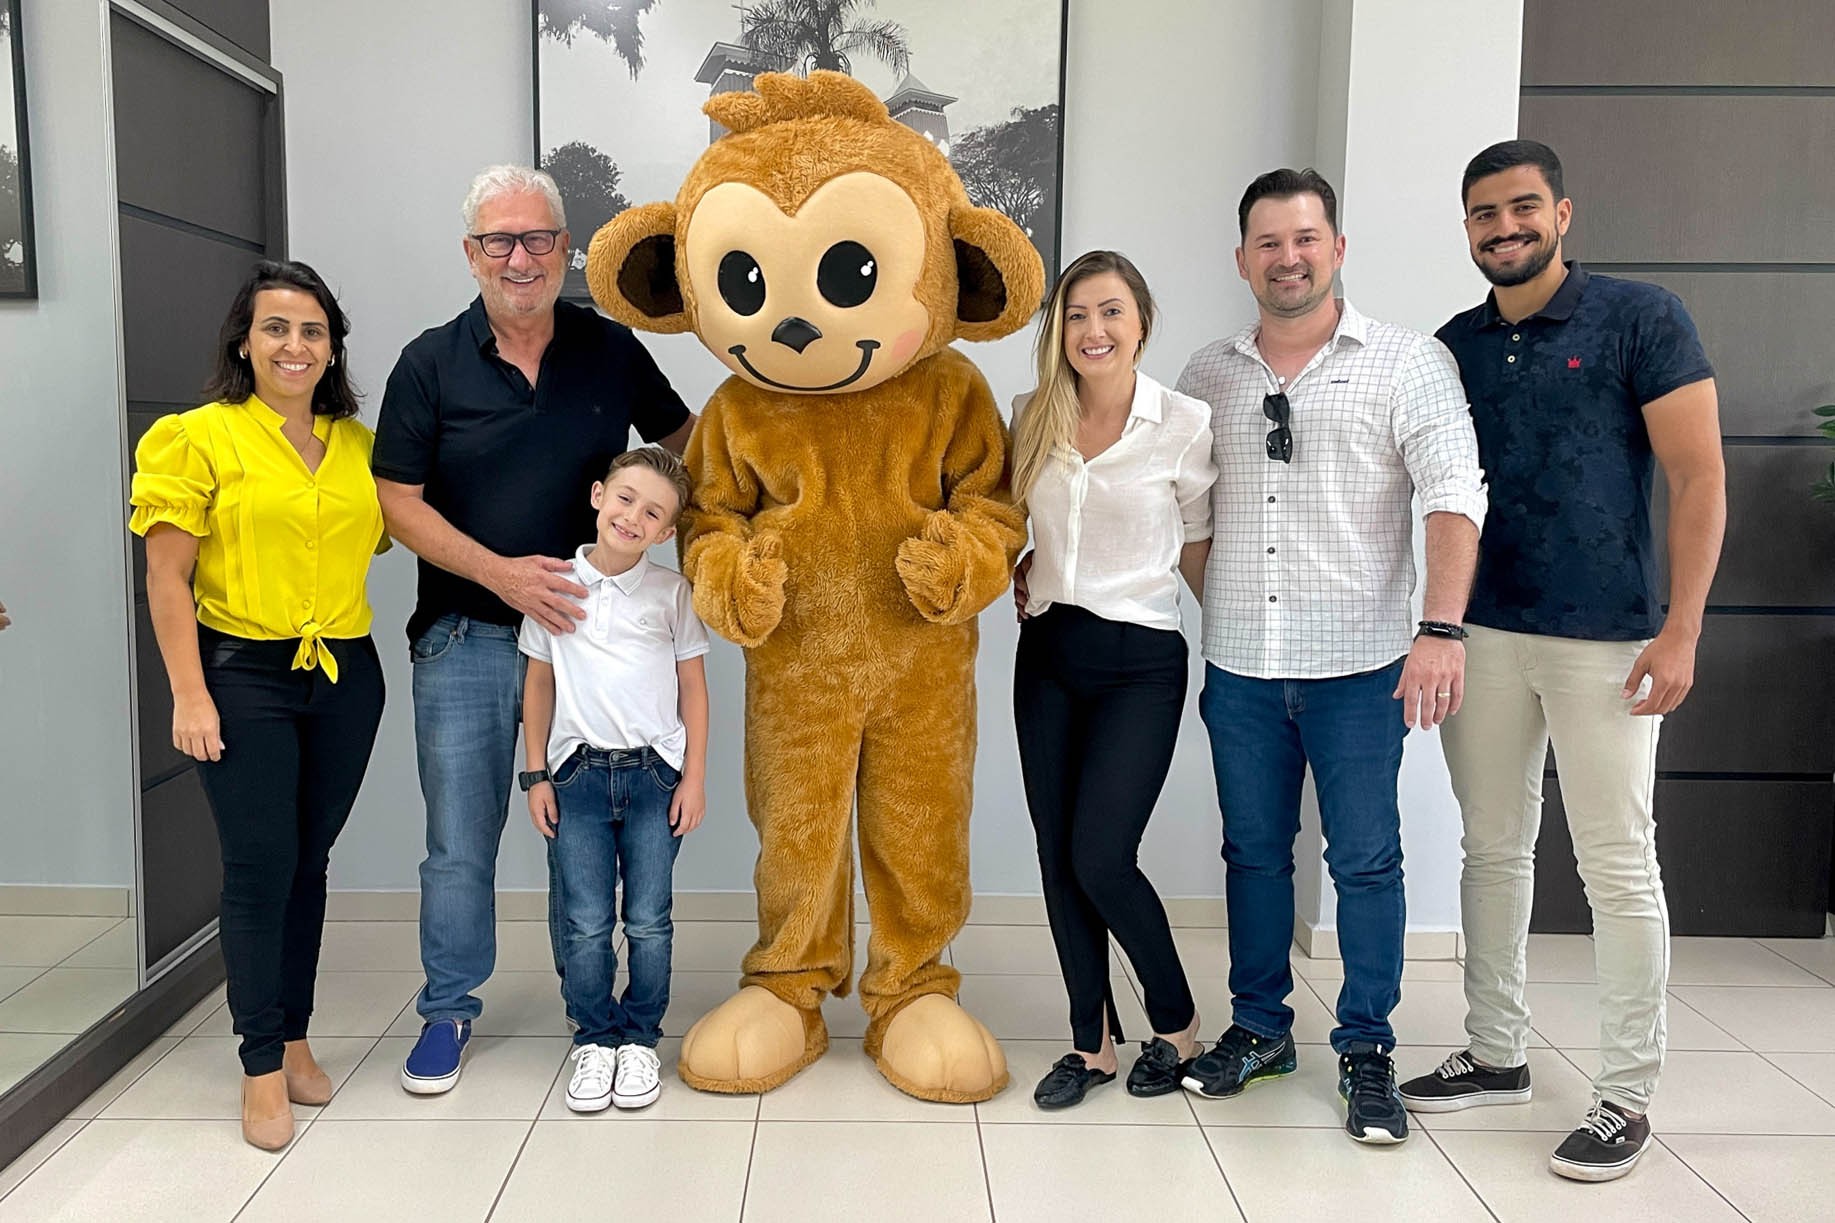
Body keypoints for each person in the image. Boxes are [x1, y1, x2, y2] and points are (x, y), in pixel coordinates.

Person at [1398, 140, 1724, 1183]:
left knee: (1615, 864)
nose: (1504, 227)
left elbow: (1698, 476)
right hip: (1484, 633)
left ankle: (1624, 1092)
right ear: (1465, 228)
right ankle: (1495, 1051)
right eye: (1483, 214)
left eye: (1521, 207)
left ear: (1561, 213)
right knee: (1491, 849)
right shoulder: (1451, 347)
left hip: (1608, 640)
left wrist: (1681, 628)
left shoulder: (1640, 318)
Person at [1174, 169, 1488, 1146]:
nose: (1288, 257)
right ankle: (1260, 1027)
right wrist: (1231, 608)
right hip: (1239, 671)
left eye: (1304, 238)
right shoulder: (1206, 375)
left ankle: (1365, 1046)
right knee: (1252, 854)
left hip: (1360, 672)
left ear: (1336, 248)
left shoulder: (1406, 362)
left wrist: (1439, 628)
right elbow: (1184, 515)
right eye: (1267, 242)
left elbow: (1453, 493)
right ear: (1241, 260)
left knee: (1364, 860)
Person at [372, 165, 693, 1096]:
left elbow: (684, 444)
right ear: (471, 254)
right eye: (499, 241)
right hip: (466, 638)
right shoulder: (429, 362)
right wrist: (503, 575)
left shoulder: (609, 348)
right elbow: (397, 502)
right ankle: (447, 1009)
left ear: (565, 248)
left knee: (577, 835)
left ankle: (589, 1018)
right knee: (459, 841)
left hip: (589, 646)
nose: (521, 258)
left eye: (538, 238)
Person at [130, 260, 388, 1150]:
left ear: (332, 348)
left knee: (308, 861)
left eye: (313, 330)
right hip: (242, 674)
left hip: (346, 675)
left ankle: (296, 1036)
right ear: (244, 341)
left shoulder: (358, 447)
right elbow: (167, 577)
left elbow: (395, 530)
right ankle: (260, 1065)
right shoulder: (195, 438)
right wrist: (189, 693)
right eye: (276, 327)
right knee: (258, 865)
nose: (294, 345)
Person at [1007, 251, 1215, 1108]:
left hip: (1140, 661)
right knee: (1058, 857)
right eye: (1075, 314)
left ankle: (1176, 1024)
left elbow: (1196, 545)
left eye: (1110, 311)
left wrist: (1235, 648)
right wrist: (1019, 562)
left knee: (1101, 854)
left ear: (1141, 323)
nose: (1092, 330)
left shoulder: (1184, 423)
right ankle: (1088, 1044)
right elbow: (1010, 525)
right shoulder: (1029, 415)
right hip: (1048, 653)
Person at [521, 446, 710, 1112]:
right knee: (584, 921)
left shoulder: (671, 593)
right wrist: (536, 775)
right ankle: (594, 1037)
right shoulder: (551, 584)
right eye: (626, 499)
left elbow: (693, 687)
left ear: (665, 531)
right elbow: (537, 685)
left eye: (653, 513)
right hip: (576, 777)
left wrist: (694, 777)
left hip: (655, 776)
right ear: (599, 496)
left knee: (649, 919)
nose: (634, 517)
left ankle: (640, 1038)